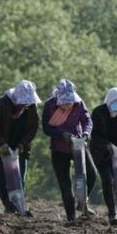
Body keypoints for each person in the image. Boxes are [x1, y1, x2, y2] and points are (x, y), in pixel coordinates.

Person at [42, 79, 93, 222]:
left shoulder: (79, 103)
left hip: (79, 145)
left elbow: (87, 121)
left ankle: (82, 202)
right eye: (64, 101)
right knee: (65, 184)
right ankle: (71, 218)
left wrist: (86, 134)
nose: (67, 104)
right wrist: (62, 134)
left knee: (91, 173)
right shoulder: (49, 106)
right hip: (59, 148)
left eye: (69, 101)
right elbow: (47, 128)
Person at [0, 80, 40, 214]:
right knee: (0, 179)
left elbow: (33, 128)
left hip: (19, 148)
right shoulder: (1, 103)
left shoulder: (31, 107)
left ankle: (18, 206)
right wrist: (1, 144)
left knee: (19, 178)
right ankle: (8, 205)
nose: (25, 104)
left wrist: (22, 144)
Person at [87, 87, 117, 225]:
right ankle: (112, 214)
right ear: (108, 102)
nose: (116, 110)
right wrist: (107, 145)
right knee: (107, 181)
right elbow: (94, 134)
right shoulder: (98, 112)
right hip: (102, 153)